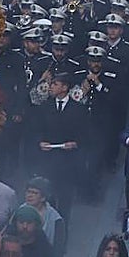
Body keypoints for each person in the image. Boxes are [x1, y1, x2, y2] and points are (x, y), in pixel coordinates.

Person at [33, 73, 85, 216]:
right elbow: (37, 129)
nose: (51, 87)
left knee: (64, 197)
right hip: (48, 159)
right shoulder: (45, 107)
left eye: (55, 84)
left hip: (68, 161)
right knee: (47, 196)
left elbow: (85, 133)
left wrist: (75, 143)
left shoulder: (78, 109)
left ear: (64, 87)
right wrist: (40, 142)